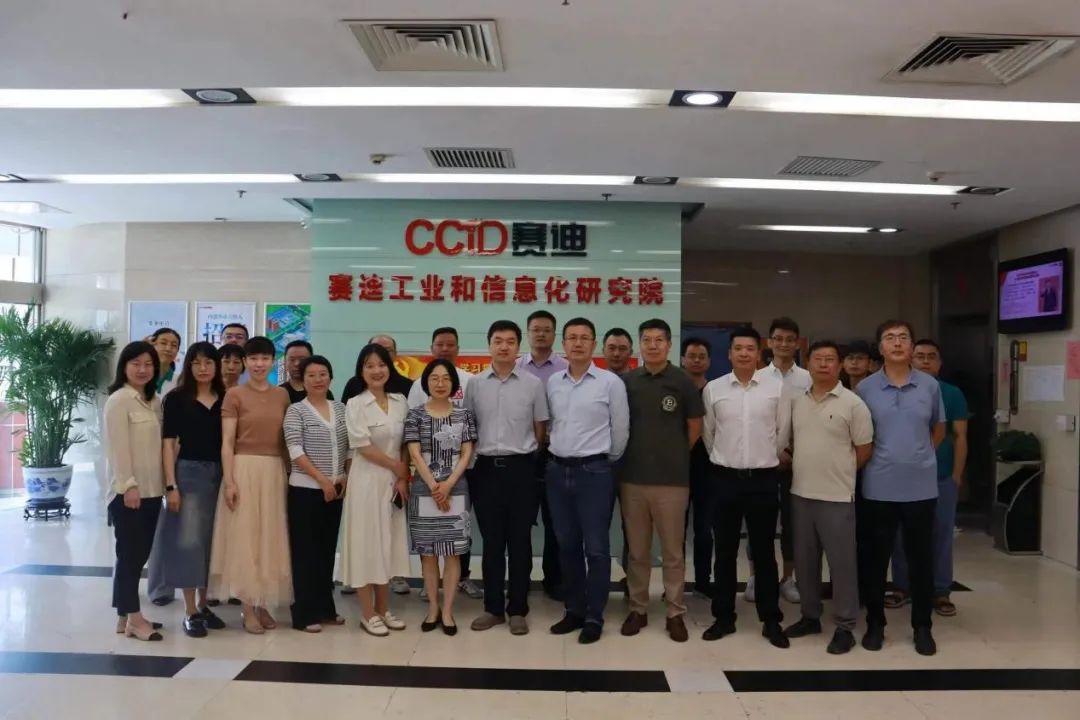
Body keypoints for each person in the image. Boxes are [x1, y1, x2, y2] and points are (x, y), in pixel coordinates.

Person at [857, 320, 945, 656]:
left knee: (920, 559)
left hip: (920, 487)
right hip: (878, 486)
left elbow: (938, 430)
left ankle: (922, 626)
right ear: (880, 348)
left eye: (903, 338)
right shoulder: (865, 388)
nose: (897, 343)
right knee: (875, 559)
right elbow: (861, 435)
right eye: (890, 338)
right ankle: (875, 624)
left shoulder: (929, 386)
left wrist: (918, 457)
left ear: (911, 347)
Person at [701, 326, 790, 648]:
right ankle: (724, 617)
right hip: (724, 479)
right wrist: (727, 460)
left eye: (749, 348)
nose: (743, 353)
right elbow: (709, 433)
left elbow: (782, 432)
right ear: (729, 353)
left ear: (758, 353)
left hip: (763, 479)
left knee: (764, 552)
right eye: (738, 348)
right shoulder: (713, 389)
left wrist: (763, 457)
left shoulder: (776, 388)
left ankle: (771, 619)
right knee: (724, 551)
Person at [783, 341, 873, 655]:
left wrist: (840, 472)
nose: (823, 364)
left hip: (836, 496)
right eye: (818, 359)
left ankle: (845, 625)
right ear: (808, 363)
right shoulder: (797, 402)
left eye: (830, 359)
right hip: (800, 494)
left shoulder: (853, 404)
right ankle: (810, 617)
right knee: (805, 562)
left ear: (839, 365)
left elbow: (864, 450)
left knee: (842, 564)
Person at [546, 317, 629, 644]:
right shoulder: (553, 382)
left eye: (584, 338)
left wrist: (604, 460)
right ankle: (574, 610)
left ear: (594, 344)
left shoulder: (610, 382)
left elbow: (620, 430)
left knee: (596, 548)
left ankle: (595, 616)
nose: (578, 343)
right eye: (572, 338)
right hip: (557, 471)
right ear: (563, 344)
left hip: (594, 472)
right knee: (566, 545)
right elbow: (550, 424)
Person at [619, 319, 704, 643]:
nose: (652, 345)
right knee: (638, 551)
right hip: (632, 479)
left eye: (659, 340)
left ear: (669, 345)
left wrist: (673, 454)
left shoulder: (682, 381)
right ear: (639, 345)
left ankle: (675, 612)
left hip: (672, 481)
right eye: (647, 340)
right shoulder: (628, 381)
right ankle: (638, 608)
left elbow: (694, 427)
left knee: (672, 552)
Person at [467, 320, 549, 636]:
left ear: (518, 346)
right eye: (498, 341)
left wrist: (524, 457)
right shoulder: (475, 384)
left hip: (521, 470)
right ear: (489, 345)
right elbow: (469, 428)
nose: (504, 346)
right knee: (491, 543)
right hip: (485, 470)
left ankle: (517, 609)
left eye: (510, 341)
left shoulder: (533, 384)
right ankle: (492, 609)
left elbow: (540, 430)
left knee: (520, 542)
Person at [207, 336, 293, 634]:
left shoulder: (282, 396)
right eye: (253, 358)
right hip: (243, 468)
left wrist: (289, 473)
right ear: (245, 362)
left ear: (273, 362)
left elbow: (285, 441)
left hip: (274, 470)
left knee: (269, 538)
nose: (259, 364)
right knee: (245, 538)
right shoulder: (235, 395)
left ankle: (263, 603)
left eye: (265, 358)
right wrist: (230, 481)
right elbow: (227, 442)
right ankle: (247, 607)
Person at [152, 342, 228, 637]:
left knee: (212, 541)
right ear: (189, 366)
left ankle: (205, 604)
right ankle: (190, 610)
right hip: (189, 473)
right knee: (189, 540)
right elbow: (168, 444)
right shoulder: (177, 398)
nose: (203, 368)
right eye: (196, 363)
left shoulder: (226, 398)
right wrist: (171, 485)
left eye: (209, 362)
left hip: (221, 474)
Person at [889, 339, 969, 618]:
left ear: (939, 363)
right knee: (900, 535)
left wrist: (956, 476)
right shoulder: (901, 390)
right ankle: (902, 586)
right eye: (920, 356)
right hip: (903, 477)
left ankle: (940, 590)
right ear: (910, 359)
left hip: (941, 476)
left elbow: (960, 437)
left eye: (931, 356)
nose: (925, 361)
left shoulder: (952, 393)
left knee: (941, 534)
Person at [338, 344, 412, 634]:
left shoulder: (400, 401)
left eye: (381, 365)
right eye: (369, 365)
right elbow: (362, 445)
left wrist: (402, 476)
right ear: (361, 370)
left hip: (394, 482)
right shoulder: (355, 404)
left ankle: (383, 609)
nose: (377, 370)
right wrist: (397, 467)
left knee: (387, 544)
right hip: (367, 480)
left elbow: (406, 441)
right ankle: (367, 614)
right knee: (365, 544)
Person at [407, 327, 481, 600]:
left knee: (458, 535)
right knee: (428, 542)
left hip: (460, 476)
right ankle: (431, 589)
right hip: (426, 479)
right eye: (440, 344)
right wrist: (433, 484)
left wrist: (449, 483)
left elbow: (468, 443)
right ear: (432, 347)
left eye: (451, 344)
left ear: (458, 348)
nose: (445, 349)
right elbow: (414, 445)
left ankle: (461, 579)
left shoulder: (471, 382)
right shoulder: (418, 386)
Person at [104, 341, 165, 641]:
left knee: (136, 556)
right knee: (130, 556)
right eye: (136, 363)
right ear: (124, 367)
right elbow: (117, 448)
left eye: (148, 364)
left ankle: (123, 616)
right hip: (129, 492)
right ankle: (135, 620)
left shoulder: (153, 401)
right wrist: (128, 485)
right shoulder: (119, 400)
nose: (142, 369)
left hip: (153, 491)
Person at [284, 355, 349, 633]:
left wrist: (344, 476)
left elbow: (350, 447)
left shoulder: (341, 409)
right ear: (304, 380)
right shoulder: (296, 410)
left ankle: (325, 609)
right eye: (311, 375)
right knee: (305, 553)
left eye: (323, 374)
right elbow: (295, 450)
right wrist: (322, 481)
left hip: (335, 491)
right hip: (305, 490)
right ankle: (303, 613)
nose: (318, 379)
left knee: (326, 551)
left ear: (330, 378)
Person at [749, 317, 811, 605]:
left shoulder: (808, 379)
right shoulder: (757, 377)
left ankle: (788, 578)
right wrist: (775, 451)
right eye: (778, 339)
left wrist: (792, 451)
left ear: (797, 344)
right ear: (769, 342)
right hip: (762, 461)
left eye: (790, 339)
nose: (784, 344)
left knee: (792, 523)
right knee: (758, 522)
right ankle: (756, 577)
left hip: (797, 462)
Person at [516, 310, 568, 602]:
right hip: (522, 453)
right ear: (528, 332)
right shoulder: (515, 367)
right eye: (536, 329)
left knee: (555, 520)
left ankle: (554, 580)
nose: (541, 334)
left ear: (554, 334)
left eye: (547, 329)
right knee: (521, 521)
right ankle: (520, 581)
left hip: (553, 451)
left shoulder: (565, 369)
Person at [145, 326, 185, 606]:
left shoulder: (177, 381)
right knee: (141, 531)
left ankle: (162, 587)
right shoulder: (139, 379)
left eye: (173, 344)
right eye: (163, 343)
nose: (168, 348)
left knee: (166, 527)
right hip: (145, 460)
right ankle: (141, 589)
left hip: (172, 459)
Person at [681, 336, 715, 598]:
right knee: (675, 533)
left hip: (709, 470)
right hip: (678, 469)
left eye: (701, 356)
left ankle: (703, 582)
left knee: (704, 531)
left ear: (709, 361)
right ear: (682, 359)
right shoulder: (675, 390)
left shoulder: (715, 392)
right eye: (691, 355)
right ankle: (675, 584)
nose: (696, 360)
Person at [342, 335, 414, 404]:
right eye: (376, 349)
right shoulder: (353, 384)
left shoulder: (408, 386)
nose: (381, 354)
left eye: (387, 350)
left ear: (395, 354)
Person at [280, 340, 336, 404]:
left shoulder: (323, 392)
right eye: (292, 360)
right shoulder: (279, 393)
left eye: (302, 359)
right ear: (285, 362)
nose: (297, 364)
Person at [150, 328, 182, 396]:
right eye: (163, 343)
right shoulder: (140, 377)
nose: (168, 349)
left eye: (174, 345)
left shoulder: (180, 383)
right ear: (152, 345)